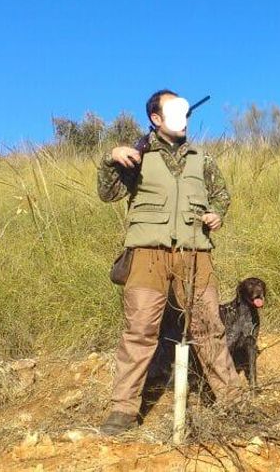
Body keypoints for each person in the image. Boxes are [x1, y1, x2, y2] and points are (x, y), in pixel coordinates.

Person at [96, 89, 244, 435]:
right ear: (156, 119)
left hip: (196, 253)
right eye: (174, 113)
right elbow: (108, 193)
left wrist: (216, 214)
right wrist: (110, 157)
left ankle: (233, 402)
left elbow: (221, 194)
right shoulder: (136, 156)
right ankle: (123, 411)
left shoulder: (201, 158)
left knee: (209, 328)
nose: (184, 119)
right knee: (140, 331)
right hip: (147, 255)